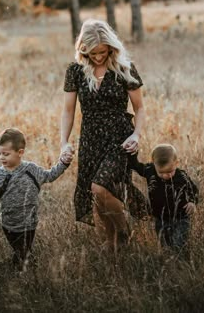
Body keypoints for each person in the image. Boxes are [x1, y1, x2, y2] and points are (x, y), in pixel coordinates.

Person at [61, 19, 147, 254]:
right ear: (83, 49)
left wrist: (137, 135)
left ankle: (124, 232)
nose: (98, 57)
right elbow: (68, 110)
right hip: (90, 138)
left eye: (103, 51)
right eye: (93, 52)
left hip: (120, 138)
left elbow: (139, 108)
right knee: (98, 193)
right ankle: (111, 242)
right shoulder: (75, 70)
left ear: (111, 47)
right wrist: (64, 142)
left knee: (100, 187)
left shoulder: (124, 68)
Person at [0, 128, 72, 271]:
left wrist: (63, 163)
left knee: (25, 249)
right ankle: (23, 269)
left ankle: (23, 269)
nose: (1, 158)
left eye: (6, 154)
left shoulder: (31, 170)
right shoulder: (0, 174)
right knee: (21, 250)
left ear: (20, 152)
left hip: (30, 222)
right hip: (10, 223)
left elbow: (50, 176)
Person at [129, 143, 199, 254]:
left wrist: (192, 202)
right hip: (160, 218)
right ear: (154, 163)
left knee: (179, 243)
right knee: (166, 244)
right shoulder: (150, 171)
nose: (166, 175)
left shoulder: (181, 176)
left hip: (181, 217)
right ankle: (169, 263)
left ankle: (181, 262)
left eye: (170, 171)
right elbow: (135, 166)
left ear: (176, 163)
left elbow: (193, 189)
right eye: (161, 172)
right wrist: (132, 152)